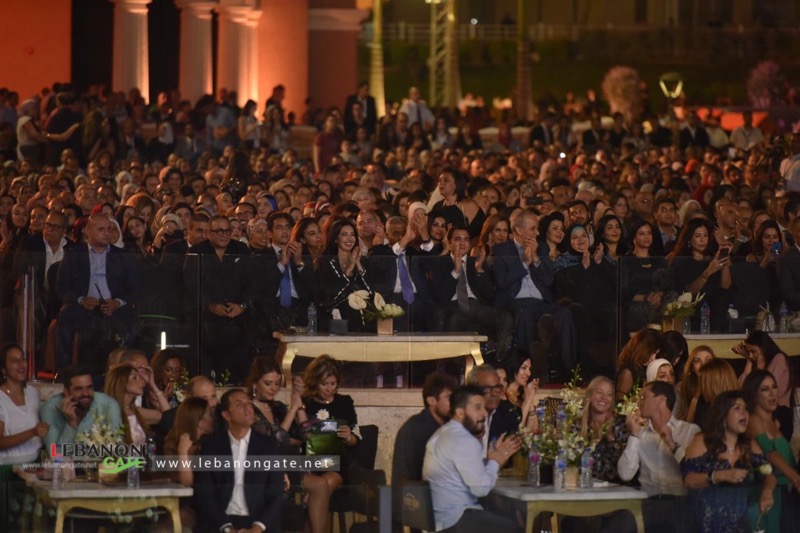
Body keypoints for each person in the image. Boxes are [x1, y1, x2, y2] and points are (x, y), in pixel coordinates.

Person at [422, 385, 522, 532]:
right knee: (516, 529)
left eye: (483, 407)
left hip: (438, 520)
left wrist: (490, 460)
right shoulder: (464, 440)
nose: (484, 413)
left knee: (506, 516)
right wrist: (495, 461)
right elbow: (481, 489)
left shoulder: (441, 433)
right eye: (477, 408)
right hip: (456, 519)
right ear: (460, 413)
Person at [682, 391, 776, 533]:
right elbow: (688, 480)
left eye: (745, 408)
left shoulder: (749, 444)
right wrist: (719, 476)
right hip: (704, 523)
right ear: (724, 415)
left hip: (738, 524)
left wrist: (767, 491)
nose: (744, 413)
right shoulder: (702, 440)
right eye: (737, 408)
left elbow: (769, 473)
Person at [55, 213, 139, 371]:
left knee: (132, 321)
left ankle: (124, 371)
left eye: (109, 229)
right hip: (83, 306)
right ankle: (64, 371)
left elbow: (134, 288)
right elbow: (62, 288)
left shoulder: (123, 256)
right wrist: (81, 300)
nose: (107, 233)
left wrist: (117, 302)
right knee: (65, 318)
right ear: (88, 231)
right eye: (101, 229)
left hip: (113, 306)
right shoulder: (74, 255)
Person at [194, 388, 284, 533]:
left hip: (259, 522)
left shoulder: (268, 446)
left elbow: (276, 492)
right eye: (239, 405)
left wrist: (258, 527)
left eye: (249, 403)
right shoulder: (212, 447)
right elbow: (205, 494)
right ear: (226, 415)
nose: (248, 408)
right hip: (221, 522)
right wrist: (226, 527)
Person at [617, 381, 701, 533]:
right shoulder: (640, 434)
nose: (639, 402)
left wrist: (672, 444)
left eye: (644, 397)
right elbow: (625, 474)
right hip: (649, 503)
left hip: (680, 502)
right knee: (619, 525)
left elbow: (696, 470)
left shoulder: (689, 431)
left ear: (661, 400)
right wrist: (634, 435)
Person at [301, 355, 360, 533]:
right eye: (324, 384)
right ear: (315, 382)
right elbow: (298, 436)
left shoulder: (344, 402)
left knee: (324, 484)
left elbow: (356, 439)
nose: (329, 389)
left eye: (333, 384)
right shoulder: (306, 404)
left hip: (337, 463)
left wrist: (348, 437)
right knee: (321, 488)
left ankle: (310, 499)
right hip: (311, 462)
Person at [392, 373, 457, 529]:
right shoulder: (422, 429)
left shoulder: (433, 425)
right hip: (419, 509)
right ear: (431, 401)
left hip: (421, 505)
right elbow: (429, 475)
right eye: (450, 398)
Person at [743, 370, 800, 532]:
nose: (772, 393)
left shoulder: (775, 422)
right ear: (753, 395)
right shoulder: (753, 420)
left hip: (784, 490)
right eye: (765, 389)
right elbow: (771, 454)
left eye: (774, 387)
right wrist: (796, 478)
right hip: (766, 490)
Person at [492, 209, 554, 358]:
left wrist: (536, 258)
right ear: (519, 230)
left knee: (565, 312)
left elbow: (548, 280)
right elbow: (501, 281)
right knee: (524, 312)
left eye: (537, 228)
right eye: (533, 229)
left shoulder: (542, 248)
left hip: (541, 302)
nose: (537, 233)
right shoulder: (501, 250)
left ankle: (569, 366)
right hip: (516, 301)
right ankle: (525, 362)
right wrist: (525, 264)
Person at [41, 364, 122, 454]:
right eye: (79, 389)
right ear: (67, 392)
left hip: (100, 462)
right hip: (69, 463)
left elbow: (117, 448)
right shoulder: (50, 408)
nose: (86, 394)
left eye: (89, 387)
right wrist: (71, 424)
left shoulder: (108, 405)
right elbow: (56, 455)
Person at [163, 396, 215, 530]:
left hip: (210, 501)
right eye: (210, 414)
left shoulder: (213, 443)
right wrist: (183, 452)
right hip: (188, 503)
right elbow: (186, 482)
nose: (214, 418)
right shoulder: (172, 445)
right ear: (199, 421)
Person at [734, 331, 794, 441]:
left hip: (779, 416)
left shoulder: (779, 359)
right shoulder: (755, 362)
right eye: (749, 352)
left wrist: (760, 365)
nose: (751, 355)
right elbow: (741, 389)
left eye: (753, 351)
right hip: (761, 417)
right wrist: (749, 361)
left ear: (763, 348)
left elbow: (764, 391)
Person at [243, 356, 304, 452]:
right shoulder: (248, 410)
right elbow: (273, 442)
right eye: (268, 383)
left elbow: (302, 437)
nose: (273, 388)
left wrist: (299, 404)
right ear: (255, 383)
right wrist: (293, 410)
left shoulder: (279, 407)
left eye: (277, 384)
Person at [0, 343, 47, 462]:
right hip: (7, 467)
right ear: (3, 369)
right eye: (14, 360)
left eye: (23, 359)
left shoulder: (32, 392)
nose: (21, 364)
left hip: (35, 464)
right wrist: (32, 432)